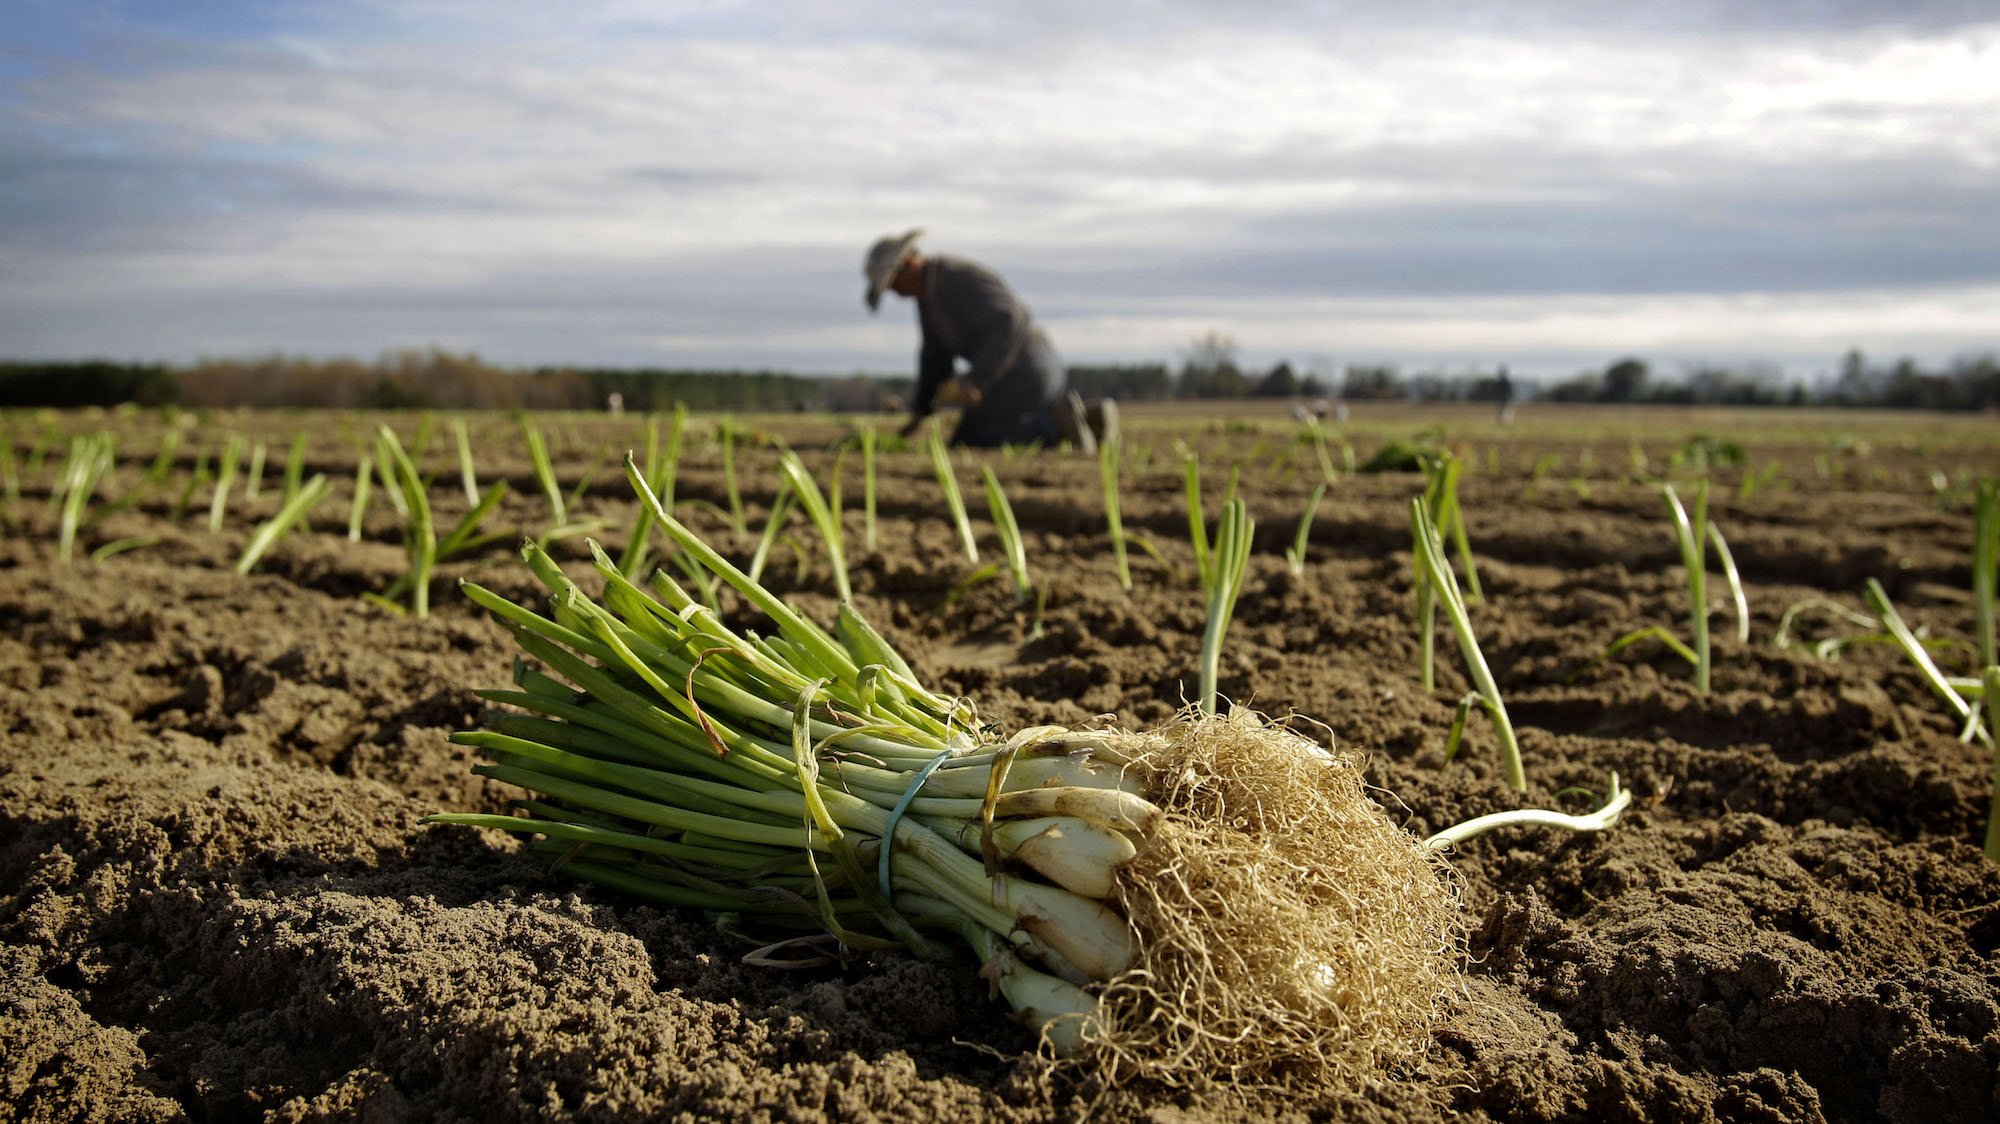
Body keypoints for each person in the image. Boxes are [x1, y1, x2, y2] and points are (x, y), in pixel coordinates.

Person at [863, 228, 1108, 449]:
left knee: (973, 439)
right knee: (969, 432)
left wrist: (975, 380)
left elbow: (1010, 321)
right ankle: (1087, 418)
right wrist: (920, 413)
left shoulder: (954, 278)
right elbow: (935, 360)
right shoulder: (929, 298)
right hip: (1022, 373)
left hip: (1030, 368)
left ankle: (1055, 426)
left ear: (909, 264)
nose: (895, 292)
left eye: (893, 284)